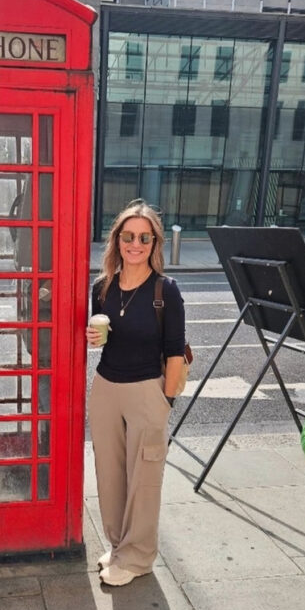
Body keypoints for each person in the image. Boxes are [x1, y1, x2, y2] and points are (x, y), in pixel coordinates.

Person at [85, 199, 186, 587]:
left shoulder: (166, 291)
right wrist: (93, 338)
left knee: (144, 478)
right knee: (110, 473)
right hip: (106, 387)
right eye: (129, 236)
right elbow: (101, 341)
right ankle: (118, 546)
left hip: (146, 390)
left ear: (154, 243)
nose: (136, 244)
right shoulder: (102, 287)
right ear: (118, 240)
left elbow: (175, 352)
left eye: (145, 237)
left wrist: (165, 403)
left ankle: (138, 557)